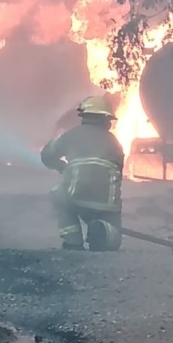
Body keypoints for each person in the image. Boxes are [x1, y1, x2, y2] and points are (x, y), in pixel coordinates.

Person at [41, 95, 124, 251]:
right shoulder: (115, 143)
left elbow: (46, 155)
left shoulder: (72, 135)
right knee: (111, 240)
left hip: (77, 198)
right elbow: (118, 174)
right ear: (107, 121)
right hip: (108, 205)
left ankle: (73, 242)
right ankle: (102, 230)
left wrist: (62, 167)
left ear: (84, 117)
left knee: (57, 194)